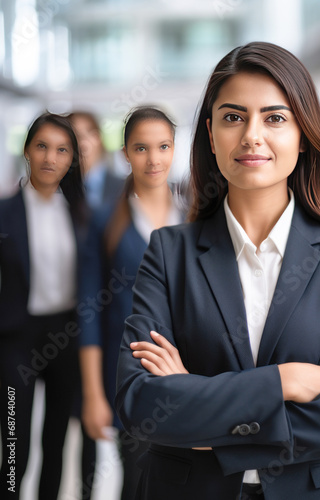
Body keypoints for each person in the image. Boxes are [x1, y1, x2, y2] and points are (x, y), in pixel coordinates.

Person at [115, 42, 320, 500]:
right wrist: (287, 381)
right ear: (211, 132)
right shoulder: (168, 252)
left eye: (275, 118)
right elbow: (141, 405)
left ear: (303, 134)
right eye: (233, 117)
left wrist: (197, 402)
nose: (251, 136)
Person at [79, 106, 184, 500]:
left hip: (187, 377)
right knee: (137, 484)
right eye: (141, 148)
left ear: (174, 149)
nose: (153, 159)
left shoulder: (193, 219)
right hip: (128, 378)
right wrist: (92, 394)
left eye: (162, 147)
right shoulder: (106, 221)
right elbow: (88, 312)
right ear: (125, 153)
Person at [0, 112, 86, 500]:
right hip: (18, 339)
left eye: (62, 149)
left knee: (56, 442)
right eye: (42, 146)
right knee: (16, 445)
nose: (51, 157)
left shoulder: (81, 215)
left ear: (71, 159)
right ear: (27, 151)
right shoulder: (5, 213)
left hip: (67, 336)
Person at [69, 110, 124, 210]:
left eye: (84, 135)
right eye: (73, 136)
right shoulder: (58, 189)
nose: (80, 143)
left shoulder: (123, 187)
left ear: (98, 138)